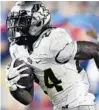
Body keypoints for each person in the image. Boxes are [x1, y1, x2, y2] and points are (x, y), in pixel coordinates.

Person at [6, 1, 99, 110]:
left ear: (38, 22)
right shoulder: (18, 50)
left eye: (22, 21)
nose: (16, 27)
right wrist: (13, 86)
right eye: (15, 21)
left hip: (80, 105)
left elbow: (95, 49)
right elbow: (27, 99)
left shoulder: (52, 40)